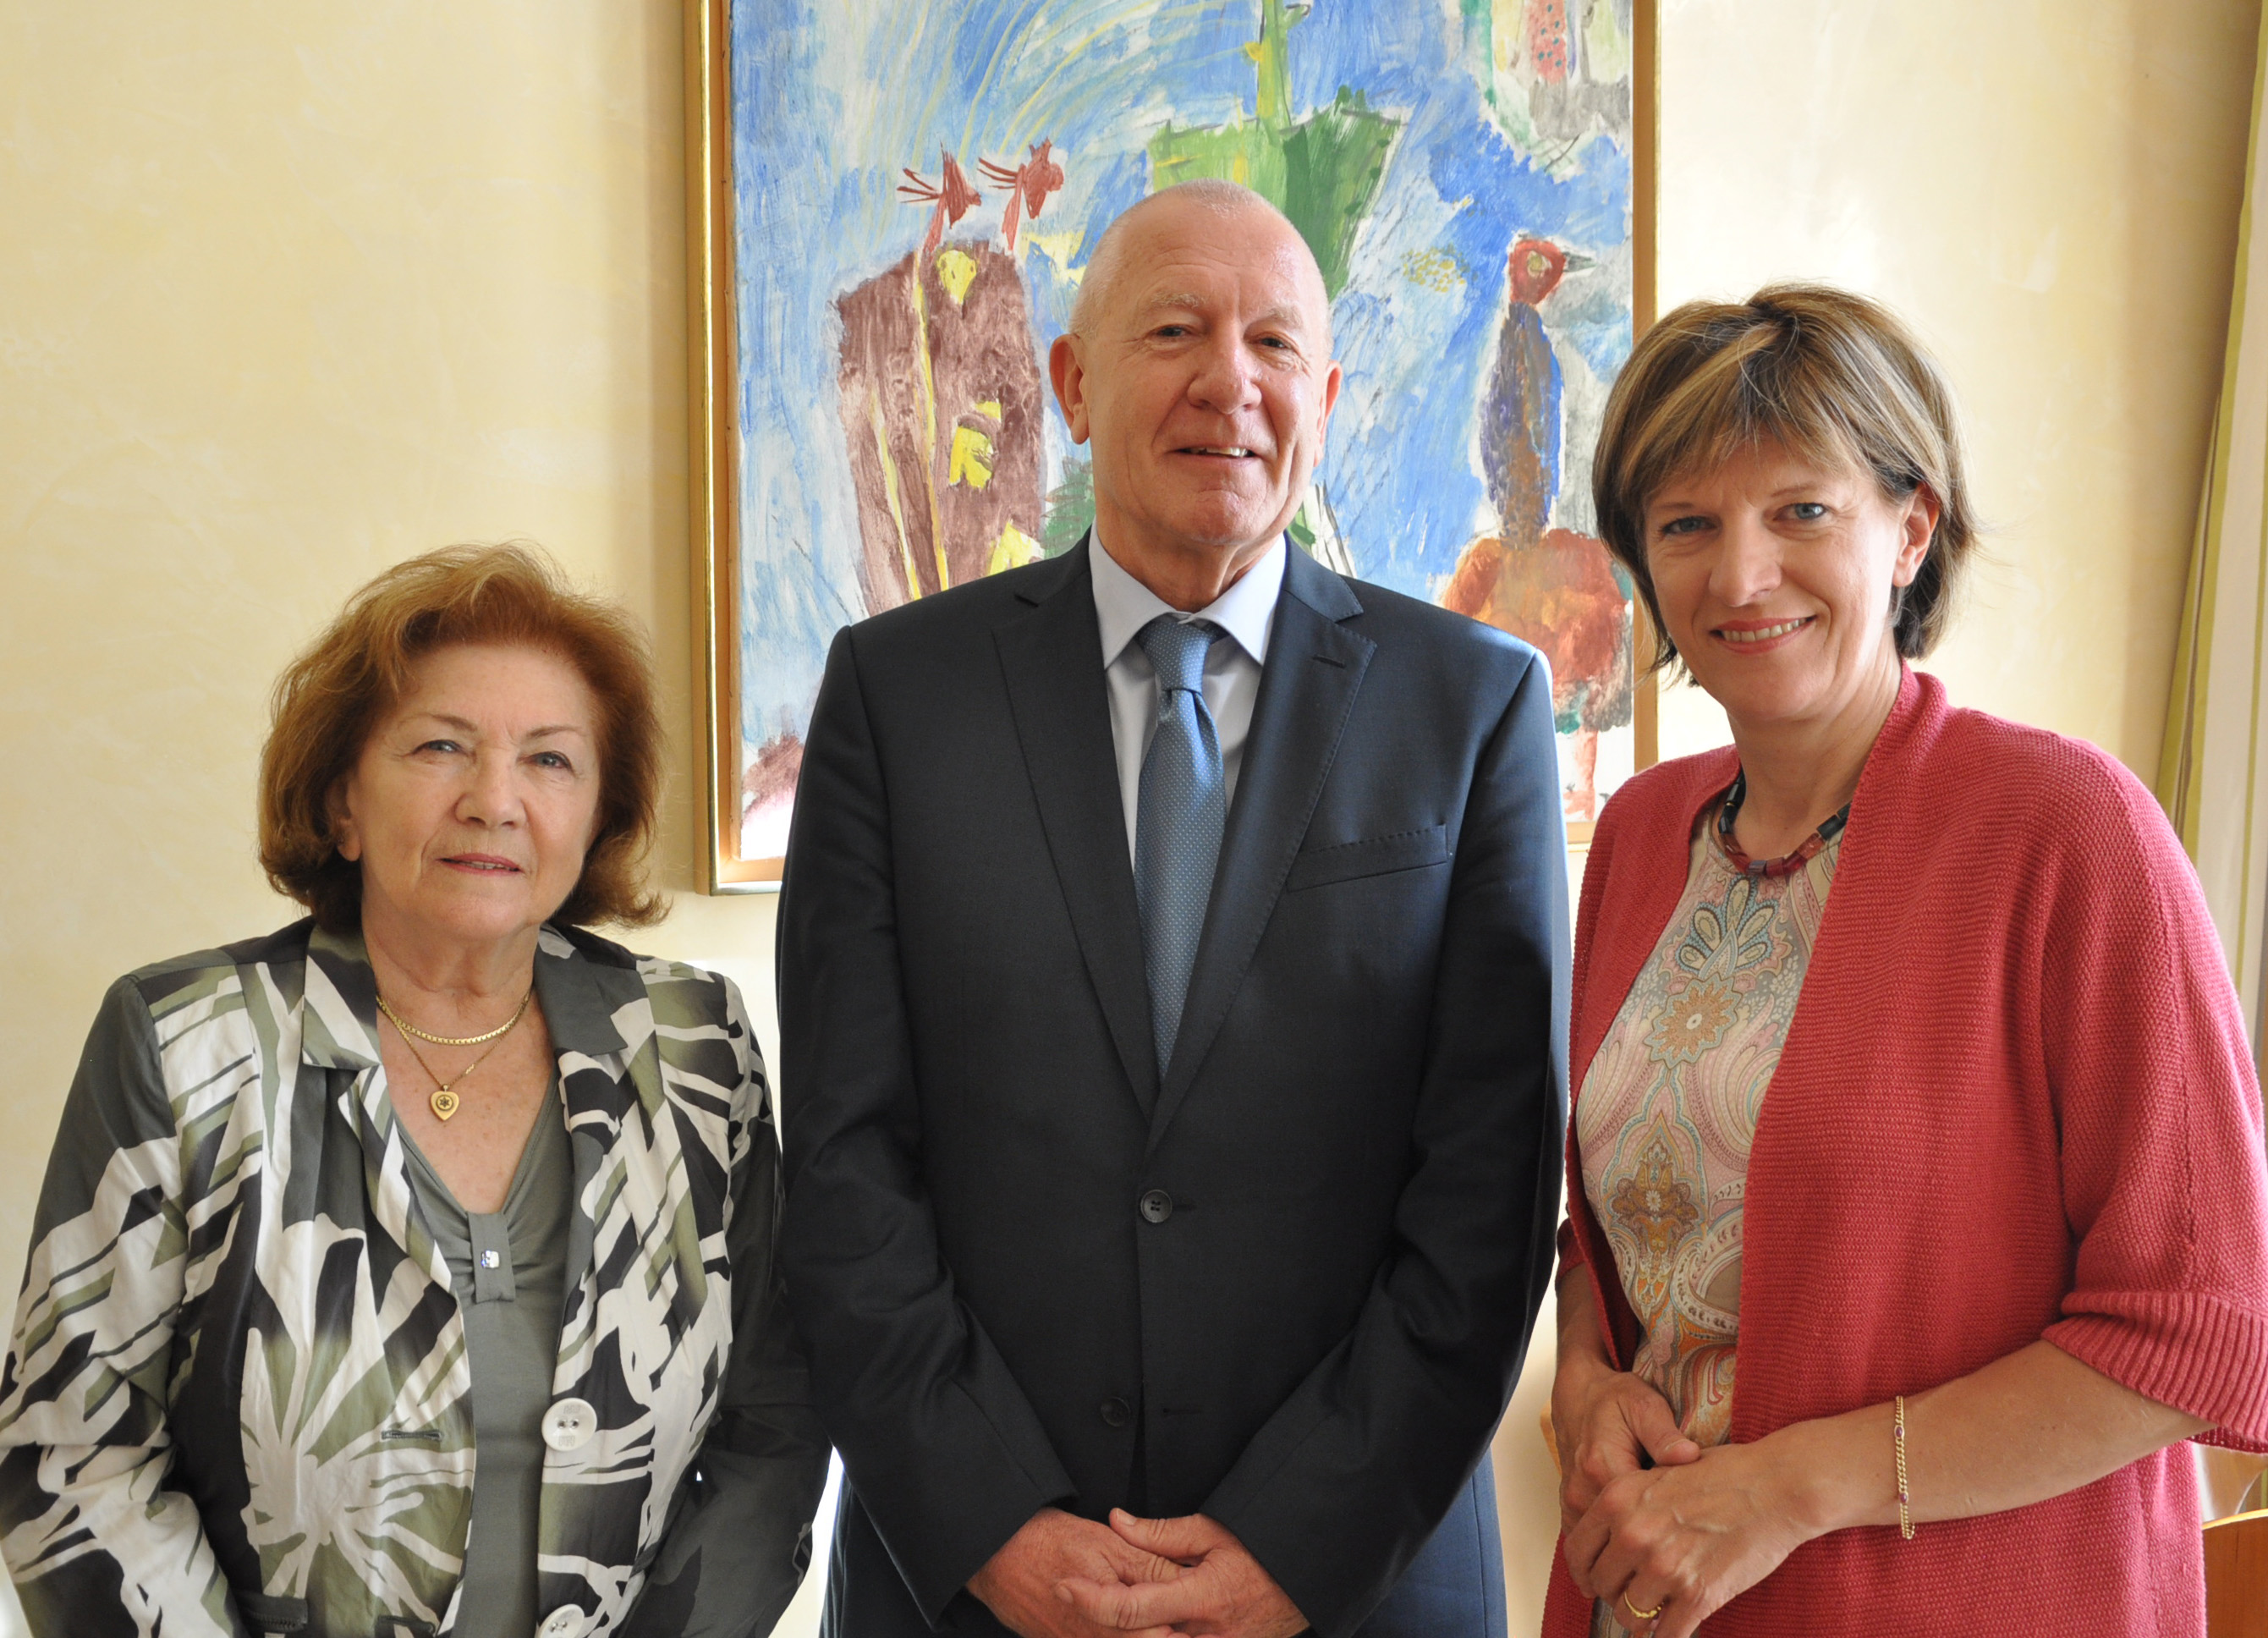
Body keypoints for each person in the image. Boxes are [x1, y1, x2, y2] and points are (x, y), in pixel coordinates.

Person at [777, 179, 1569, 1638]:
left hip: (1357, 1581)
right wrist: (992, 1526)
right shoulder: (897, 696)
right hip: (973, 1582)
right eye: (1172, 331)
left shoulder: (1471, 706)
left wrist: (1300, 1543)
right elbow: (843, 1158)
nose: (1229, 381)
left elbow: (1490, 1190)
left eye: (1274, 343)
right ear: (1073, 386)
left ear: (1325, 398)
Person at [1545, 285, 2268, 1638]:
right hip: (1649, 1599)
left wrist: (1788, 1491)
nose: (1739, 575)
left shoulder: (2065, 829)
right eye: (1686, 524)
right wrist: (1582, 1387)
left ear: (1910, 529)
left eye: (1799, 512)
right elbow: (1610, 1235)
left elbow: (2197, 1327)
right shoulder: (1641, 835)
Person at [0, 546, 828, 1638]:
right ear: (342, 802)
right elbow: (74, 1453)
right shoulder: (185, 1042)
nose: (495, 801)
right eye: (442, 747)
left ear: (597, 816)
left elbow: (774, 1419)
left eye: (550, 760)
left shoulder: (694, 1044)